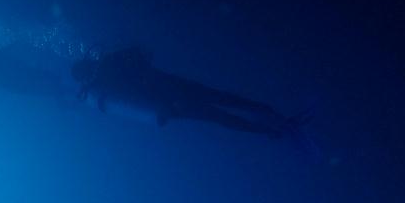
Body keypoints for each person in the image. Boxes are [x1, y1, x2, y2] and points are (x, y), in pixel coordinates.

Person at [71, 45, 296, 138]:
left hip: (167, 107)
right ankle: (270, 113)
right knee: (223, 99)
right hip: (171, 85)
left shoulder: (99, 88)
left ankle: (270, 131)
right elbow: (143, 53)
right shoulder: (109, 61)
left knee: (218, 116)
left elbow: (127, 107)